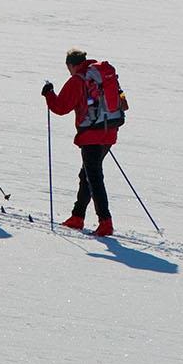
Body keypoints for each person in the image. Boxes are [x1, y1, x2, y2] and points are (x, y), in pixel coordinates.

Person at [42, 48, 118, 237]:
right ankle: (77, 217)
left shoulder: (78, 80)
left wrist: (49, 94)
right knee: (87, 175)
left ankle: (105, 221)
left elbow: (61, 107)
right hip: (109, 131)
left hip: (91, 135)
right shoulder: (101, 75)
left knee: (93, 178)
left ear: (71, 64)